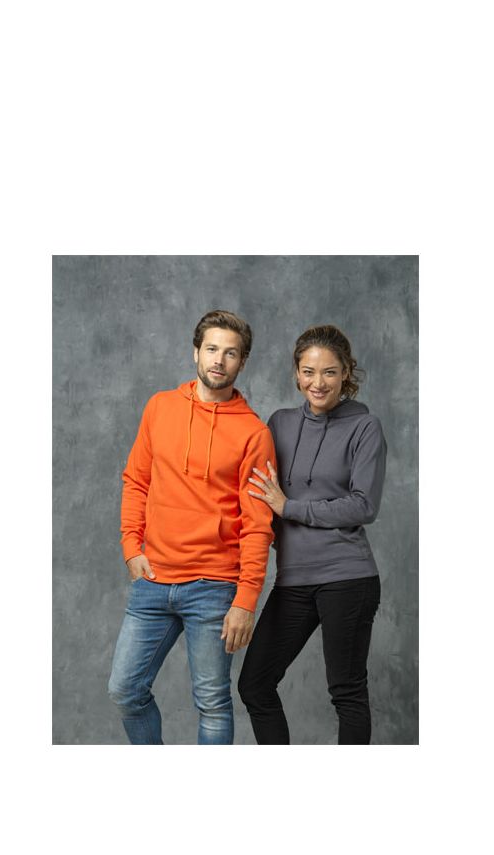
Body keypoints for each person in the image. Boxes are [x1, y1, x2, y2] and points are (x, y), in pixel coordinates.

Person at [108, 310, 276, 744]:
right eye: (212, 349)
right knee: (125, 690)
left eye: (231, 353)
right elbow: (136, 480)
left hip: (214, 586)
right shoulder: (160, 407)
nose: (219, 359)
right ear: (196, 352)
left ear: (242, 362)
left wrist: (246, 599)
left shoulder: (254, 433)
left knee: (213, 703)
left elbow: (258, 524)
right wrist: (131, 547)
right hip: (153, 579)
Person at [238, 324, 386, 744]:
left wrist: (290, 507)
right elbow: (257, 494)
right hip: (294, 580)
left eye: (329, 372)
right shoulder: (280, 424)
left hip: (347, 576)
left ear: (345, 373)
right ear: (296, 373)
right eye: (308, 372)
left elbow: (363, 505)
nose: (317, 383)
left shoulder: (365, 427)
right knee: (254, 684)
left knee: (347, 691)